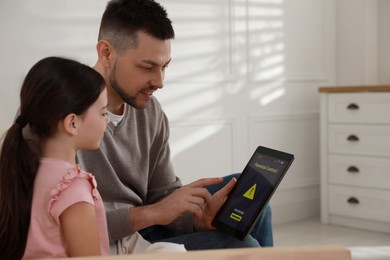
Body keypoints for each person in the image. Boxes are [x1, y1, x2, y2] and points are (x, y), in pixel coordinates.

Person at [76, 0, 273, 254]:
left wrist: (195, 219)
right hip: (115, 238)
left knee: (255, 204)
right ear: (106, 53)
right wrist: (153, 213)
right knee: (244, 247)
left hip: (149, 222)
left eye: (164, 67)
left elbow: (163, 194)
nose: (160, 82)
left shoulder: (150, 110)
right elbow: (60, 221)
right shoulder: (63, 110)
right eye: (147, 67)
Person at [0, 56, 110, 259]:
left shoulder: (23, 170)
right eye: (103, 113)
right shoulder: (73, 187)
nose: (108, 120)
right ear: (72, 123)